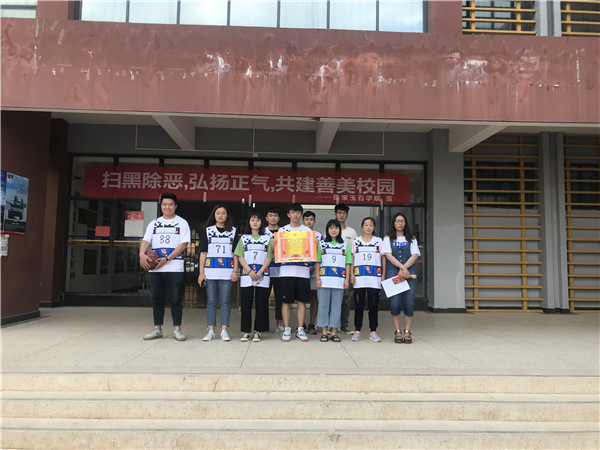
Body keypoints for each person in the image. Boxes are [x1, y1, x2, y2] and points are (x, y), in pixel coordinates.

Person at [140, 192, 191, 342]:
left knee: (176, 298)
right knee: (156, 298)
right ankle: (157, 329)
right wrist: (141, 254)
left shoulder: (182, 223)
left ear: (175, 206)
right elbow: (145, 240)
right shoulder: (154, 223)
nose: (167, 207)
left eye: (170, 204)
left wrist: (167, 259)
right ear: (161, 206)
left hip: (174, 267)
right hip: (156, 268)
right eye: (164, 204)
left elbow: (183, 244)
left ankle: (177, 329)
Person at [198, 204, 239, 342]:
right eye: (218, 213)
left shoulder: (233, 231)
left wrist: (235, 271)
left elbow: (236, 253)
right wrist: (201, 273)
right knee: (211, 301)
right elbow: (203, 253)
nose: (221, 215)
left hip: (227, 272)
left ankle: (224, 330)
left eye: (223, 213)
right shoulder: (207, 231)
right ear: (214, 215)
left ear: (227, 215)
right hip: (210, 272)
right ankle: (210, 330)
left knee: (225, 301)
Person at [276, 203, 314, 342]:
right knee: (286, 302)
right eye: (293, 212)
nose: (295, 215)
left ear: (301, 215)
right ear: (288, 214)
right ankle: (287, 329)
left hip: (303, 271)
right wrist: (274, 246)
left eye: (298, 212)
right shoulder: (282, 231)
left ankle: (300, 329)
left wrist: (314, 245)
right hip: (286, 271)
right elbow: (277, 253)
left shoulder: (307, 231)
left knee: (302, 301)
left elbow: (312, 252)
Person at [234, 211, 273, 342]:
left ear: (261, 222)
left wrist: (260, 271)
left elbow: (269, 257)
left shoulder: (267, 239)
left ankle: (258, 331)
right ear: (249, 222)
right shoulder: (244, 238)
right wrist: (249, 270)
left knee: (261, 304)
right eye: (252, 220)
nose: (255, 222)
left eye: (258, 220)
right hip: (247, 275)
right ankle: (246, 331)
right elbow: (240, 256)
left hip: (263, 274)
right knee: (246, 303)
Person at [381, 212, 420, 344]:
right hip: (393, 272)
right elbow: (388, 255)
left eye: (402, 220)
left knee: (409, 302)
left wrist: (404, 268)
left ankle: (407, 330)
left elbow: (414, 255)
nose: (400, 223)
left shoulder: (411, 238)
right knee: (395, 302)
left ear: (405, 223)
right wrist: (401, 268)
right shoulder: (388, 238)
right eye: (397, 221)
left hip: (410, 273)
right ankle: (397, 330)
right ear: (393, 223)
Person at [315, 219, 352, 342]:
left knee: (337, 306)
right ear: (327, 230)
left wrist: (346, 279)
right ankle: (324, 332)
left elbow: (348, 263)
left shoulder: (344, 245)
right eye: (331, 228)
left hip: (339, 281)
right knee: (323, 306)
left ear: (339, 230)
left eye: (336, 228)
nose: (334, 230)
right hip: (324, 280)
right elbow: (318, 262)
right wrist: (318, 278)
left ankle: (334, 332)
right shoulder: (321, 245)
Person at [351, 217, 386, 343]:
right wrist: (351, 274)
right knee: (358, 306)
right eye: (366, 225)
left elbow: (383, 258)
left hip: (374, 279)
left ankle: (373, 331)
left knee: (373, 306)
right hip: (359, 279)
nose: (368, 227)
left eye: (371, 225)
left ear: (374, 227)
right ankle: (357, 331)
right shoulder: (356, 241)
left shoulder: (379, 241)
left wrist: (383, 274)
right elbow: (352, 257)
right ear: (362, 227)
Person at [334, 203, 358, 334]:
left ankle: (344, 325)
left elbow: (354, 253)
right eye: (339, 212)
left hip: (347, 269)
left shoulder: (352, 232)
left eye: (343, 212)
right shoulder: (331, 229)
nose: (341, 215)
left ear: (347, 215)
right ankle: (332, 325)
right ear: (335, 214)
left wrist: (352, 272)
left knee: (346, 299)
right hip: (333, 270)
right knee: (333, 298)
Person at [264, 207, 284, 333]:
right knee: (263, 298)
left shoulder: (284, 232)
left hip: (281, 271)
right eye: (270, 215)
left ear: (279, 218)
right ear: (266, 218)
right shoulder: (262, 232)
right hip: (265, 271)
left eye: (275, 215)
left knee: (280, 299)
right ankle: (264, 325)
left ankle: (279, 324)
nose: (273, 218)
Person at [302, 210, 322, 335]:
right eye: (306, 219)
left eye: (311, 219)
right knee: (302, 298)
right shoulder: (299, 234)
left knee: (314, 297)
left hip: (314, 271)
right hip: (301, 270)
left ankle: (311, 323)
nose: (309, 222)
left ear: (314, 221)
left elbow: (320, 254)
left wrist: (313, 267)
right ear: (303, 221)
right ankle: (301, 324)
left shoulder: (319, 236)